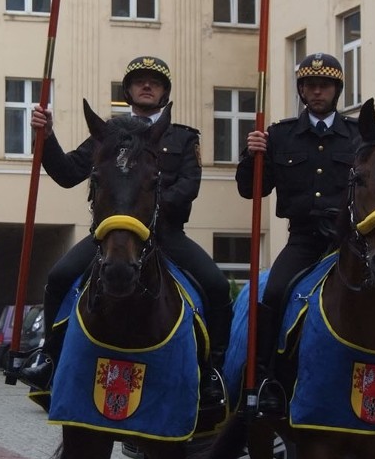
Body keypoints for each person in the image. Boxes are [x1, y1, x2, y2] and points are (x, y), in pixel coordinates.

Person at [236, 51, 375, 410]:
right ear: (301, 91)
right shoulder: (281, 135)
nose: (317, 92)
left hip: (351, 239)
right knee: (276, 291)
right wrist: (251, 155)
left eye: (324, 86)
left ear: (336, 90)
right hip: (305, 238)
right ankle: (265, 376)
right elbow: (251, 190)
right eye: (310, 85)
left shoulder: (360, 135)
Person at [16, 56, 232, 408]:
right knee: (60, 276)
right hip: (114, 234)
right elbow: (68, 172)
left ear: (164, 92)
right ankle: (48, 358)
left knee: (217, 286)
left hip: (166, 234)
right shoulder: (110, 134)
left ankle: (211, 372)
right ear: (128, 90)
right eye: (139, 81)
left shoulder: (183, 137)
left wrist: (148, 209)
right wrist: (46, 136)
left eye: (155, 82)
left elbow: (189, 186)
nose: (146, 86)